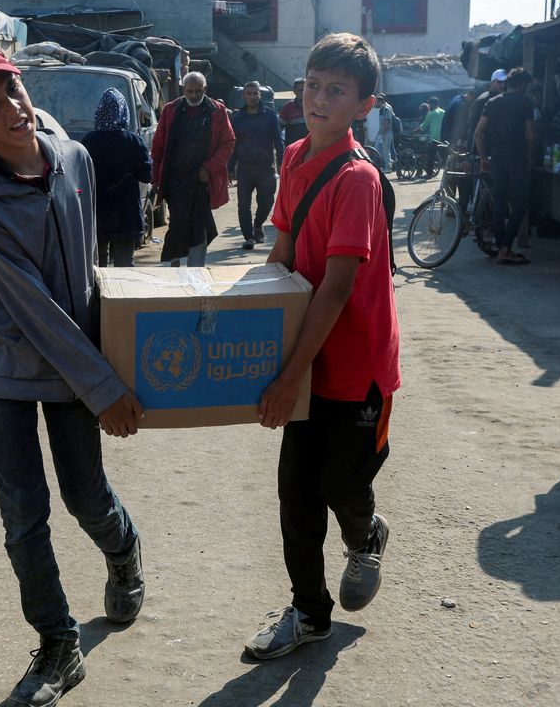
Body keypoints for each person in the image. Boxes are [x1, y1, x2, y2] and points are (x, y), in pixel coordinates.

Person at [0, 46, 147, 707]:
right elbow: (31, 304)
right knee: (23, 514)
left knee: (86, 496)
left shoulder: (76, 161)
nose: (11, 109)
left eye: (13, 91)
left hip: (72, 360)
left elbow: (87, 280)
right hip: (9, 361)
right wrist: (104, 385)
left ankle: (123, 550)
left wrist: (109, 358)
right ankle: (59, 645)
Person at [247, 33, 400, 661]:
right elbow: (281, 251)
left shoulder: (358, 179)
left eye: (336, 90)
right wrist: (236, 316)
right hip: (306, 357)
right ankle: (309, 613)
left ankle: (365, 535)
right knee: (296, 494)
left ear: (363, 104)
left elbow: (335, 290)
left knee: (342, 484)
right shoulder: (293, 157)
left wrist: (287, 378)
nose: (318, 98)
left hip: (356, 364)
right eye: (312, 84)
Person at [151, 71, 235, 267]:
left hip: (201, 182)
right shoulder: (171, 110)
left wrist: (209, 168)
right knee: (178, 224)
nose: (194, 95)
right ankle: (173, 268)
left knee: (200, 227)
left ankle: (196, 271)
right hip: (174, 181)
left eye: (198, 91)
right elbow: (158, 147)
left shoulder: (217, 110)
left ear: (205, 89)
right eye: (190, 91)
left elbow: (228, 143)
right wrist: (156, 179)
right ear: (184, 90)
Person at [80, 88, 152, 267]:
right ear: (123, 111)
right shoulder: (133, 141)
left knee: (97, 266)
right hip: (126, 218)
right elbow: (146, 176)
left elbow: (79, 177)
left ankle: (98, 296)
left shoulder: (88, 141)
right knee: (124, 268)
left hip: (97, 216)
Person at [474, 67, 535, 265]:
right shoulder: (526, 102)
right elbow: (530, 135)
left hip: (496, 158)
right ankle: (506, 248)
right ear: (523, 85)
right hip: (517, 159)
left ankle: (501, 246)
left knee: (499, 201)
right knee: (522, 202)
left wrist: (484, 157)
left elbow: (478, 133)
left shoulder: (492, 102)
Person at [230, 80, 285, 250]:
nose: (252, 96)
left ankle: (258, 224)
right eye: (249, 93)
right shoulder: (238, 118)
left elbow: (278, 141)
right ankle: (248, 237)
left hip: (266, 169)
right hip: (245, 169)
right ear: (243, 96)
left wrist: (282, 163)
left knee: (267, 202)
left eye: (255, 93)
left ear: (260, 95)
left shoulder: (269, 115)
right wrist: (230, 167)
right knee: (243, 205)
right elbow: (233, 145)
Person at [468, 69, 507, 148]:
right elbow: (474, 130)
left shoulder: (504, 100)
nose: (503, 85)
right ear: (492, 82)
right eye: (499, 82)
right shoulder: (482, 101)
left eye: (505, 82)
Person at [364, 92, 395, 170]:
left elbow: (386, 122)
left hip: (386, 133)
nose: (376, 103)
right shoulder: (380, 110)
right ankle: (389, 162)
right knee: (377, 149)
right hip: (380, 133)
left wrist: (384, 133)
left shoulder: (386, 109)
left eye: (377, 101)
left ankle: (388, 167)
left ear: (381, 101)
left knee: (386, 150)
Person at [279, 77, 308, 147]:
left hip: (310, 151)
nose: (304, 93)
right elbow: (278, 130)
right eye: (301, 90)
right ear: (294, 91)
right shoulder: (287, 108)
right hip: (293, 152)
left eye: (305, 90)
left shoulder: (315, 106)